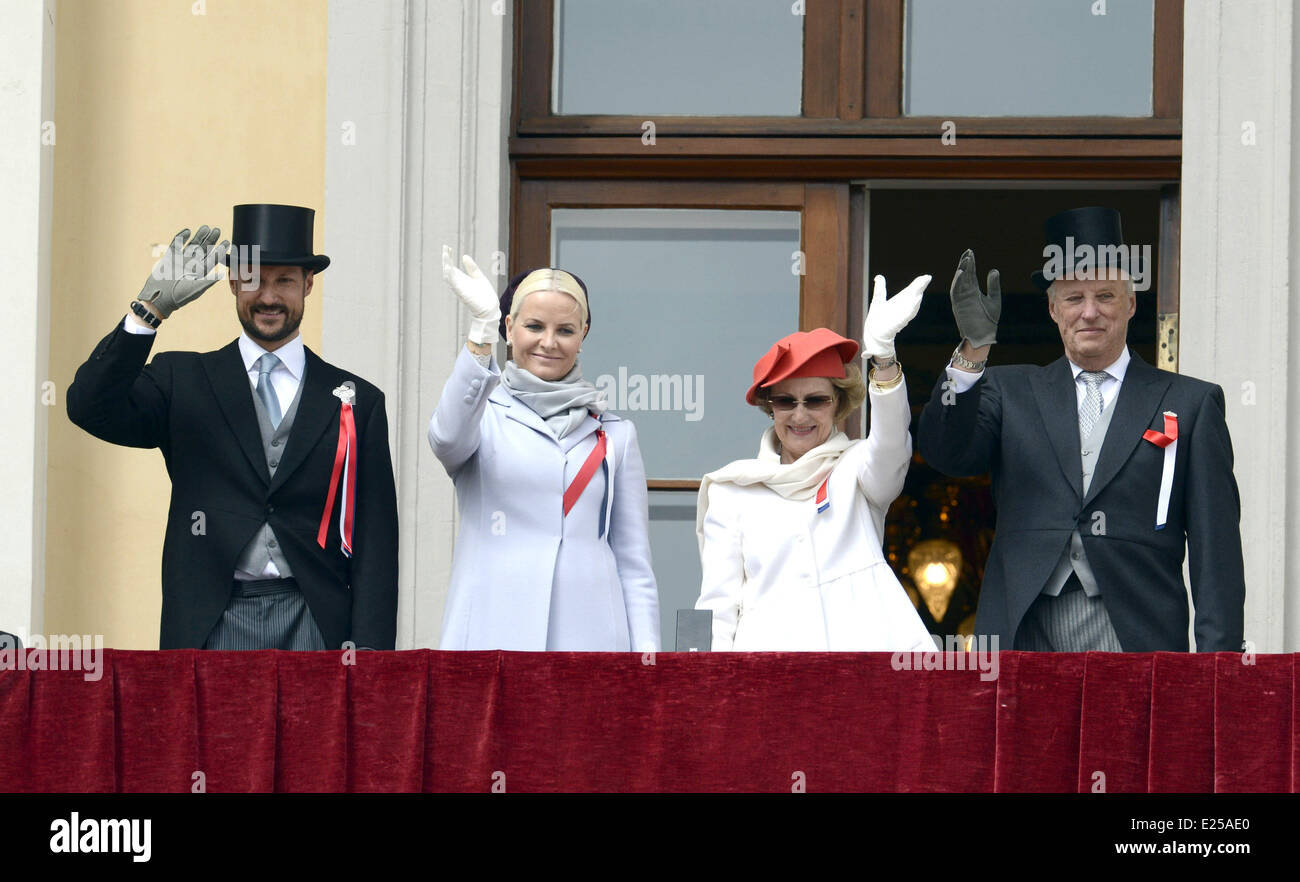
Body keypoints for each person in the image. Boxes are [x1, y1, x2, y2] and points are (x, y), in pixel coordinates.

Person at [67, 204, 399, 650]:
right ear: (231, 282)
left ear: (308, 284)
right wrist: (148, 313)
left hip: (318, 624)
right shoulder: (180, 380)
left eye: (283, 280)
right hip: (211, 622)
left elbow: (375, 541)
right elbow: (89, 407)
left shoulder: (359, 400)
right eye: (253, 279)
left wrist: (372, 657)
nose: (268, 296)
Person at [917, 206, 1245, 652]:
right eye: (1074, 298)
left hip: (1135, 630)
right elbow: (946, 453)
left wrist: (1218, 672)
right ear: (1053, 309)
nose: (1090, 312)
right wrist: (972, 352)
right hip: (1022, 629)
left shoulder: (1190, 403)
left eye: (1106, 296)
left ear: (1130, 303)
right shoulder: (1008, 389)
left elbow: (1216, 551)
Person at [428, 249, 659, 651]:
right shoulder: (480, 415)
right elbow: (446, 438)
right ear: (510, 327)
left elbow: (633, 562)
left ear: (583, 335)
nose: (548, 343)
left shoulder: (615, 434)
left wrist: (646, 661)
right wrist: (480, 334)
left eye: (565, 330)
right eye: (534, 326)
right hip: (492, 632)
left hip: (591, 641)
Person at [694, 275, 937, 652]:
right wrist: (702, 692)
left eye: (816, 401)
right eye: (786, 401)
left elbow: (891, 443)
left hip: (863, 670)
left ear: (839, 404)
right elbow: (717, 605)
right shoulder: (732, 491)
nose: (799, 415)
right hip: (769, 677)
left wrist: (885, 359)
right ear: (769, 408)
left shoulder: (857, 467)